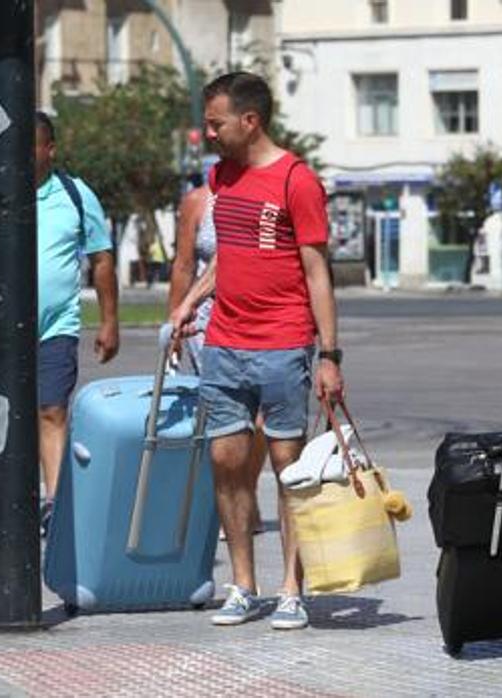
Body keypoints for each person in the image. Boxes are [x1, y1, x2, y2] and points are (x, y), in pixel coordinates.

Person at [169, 72, 343, 631]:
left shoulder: (297, 181)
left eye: (216, 122)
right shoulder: (223, 178)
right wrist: (190, 302)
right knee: (225, 462)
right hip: (223, 341)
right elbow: (230, 256)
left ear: (250, 120)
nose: (208, 132)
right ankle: (244, 584)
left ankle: (293, 587)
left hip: (284, 341)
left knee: (286, 466)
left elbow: (318, 272)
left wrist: (329, 355)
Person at [0, 111, 119, 535]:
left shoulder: (77, 195)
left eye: (31, 147)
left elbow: (101, 260)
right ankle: (9, 491)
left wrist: (109, 321)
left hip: (55, 326)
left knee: (52, 409)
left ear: (50, 150)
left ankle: (54, 503)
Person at [168, 175, 265, 537]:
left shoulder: (265, 192)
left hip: (259, 315)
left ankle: (246, 490)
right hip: (208, 320)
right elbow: (183, 264)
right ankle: (229, 501)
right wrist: (175, 318)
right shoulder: (198, 201)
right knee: (225, 414)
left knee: (258, 419)